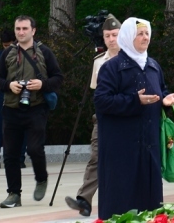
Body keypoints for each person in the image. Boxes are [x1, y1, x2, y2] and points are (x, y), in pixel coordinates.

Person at [94, 17, 174, 220]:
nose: (145, 37)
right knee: (122, 199)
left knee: (149, 199)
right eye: (139, 34)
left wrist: (164, 100)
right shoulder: (112, 67)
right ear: (127, 37)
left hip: (149, 145)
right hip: (121, 148)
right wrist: (135, 101)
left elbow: (160, 91)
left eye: (147, 33)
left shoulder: (153, 65)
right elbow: (102, 101)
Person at [0, 16, 64, 208]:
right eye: (18, 29)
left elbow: (58, 77)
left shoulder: (44, 52)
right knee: (10, 155)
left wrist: (43, 84)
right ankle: (14, 194)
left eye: (24, 28)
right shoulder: (6, 53)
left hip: (36, 108)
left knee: (34, 149)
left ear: (33, 30)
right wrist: (9, 85)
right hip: (11, 109)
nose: (21, 32)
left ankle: (41, 178)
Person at [65, 14, 121, 217]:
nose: (112, 39)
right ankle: (84, 201)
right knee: (96, 158)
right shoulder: (99, 61)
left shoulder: (133, 58)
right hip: (104, 118)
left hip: (125, 118)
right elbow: (97, 93)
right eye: (107, 36)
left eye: (115, 35)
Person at [0, 29, 27, 171]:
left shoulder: (23, 55)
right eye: (4, 46)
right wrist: (2, 78)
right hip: (1, 94)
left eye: (9, 45)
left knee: (21, 127)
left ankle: (20, 159)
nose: (6, 48)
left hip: (19, 93)